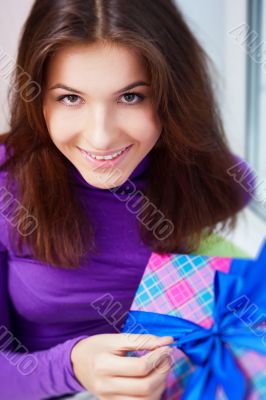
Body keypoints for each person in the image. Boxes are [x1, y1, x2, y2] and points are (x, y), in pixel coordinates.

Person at [0, 0, 255, 399]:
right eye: (70, 98)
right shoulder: (6, 185)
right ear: (37, 98)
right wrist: (73, 367)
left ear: (172, 95)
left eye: (131, 97)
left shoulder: (216, 181)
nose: (100, 137)